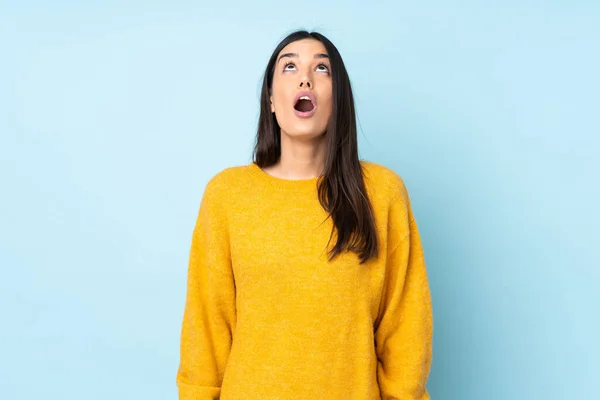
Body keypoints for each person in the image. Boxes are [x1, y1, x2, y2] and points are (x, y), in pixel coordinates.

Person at [176, 30, 433, 400]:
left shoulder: (382, 193)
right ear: (271, 99)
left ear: (337, 99)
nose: (305, 77)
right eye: (290, 65)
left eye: (322, 68)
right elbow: (206, 327)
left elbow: (406, 330)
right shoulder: (227, 195)